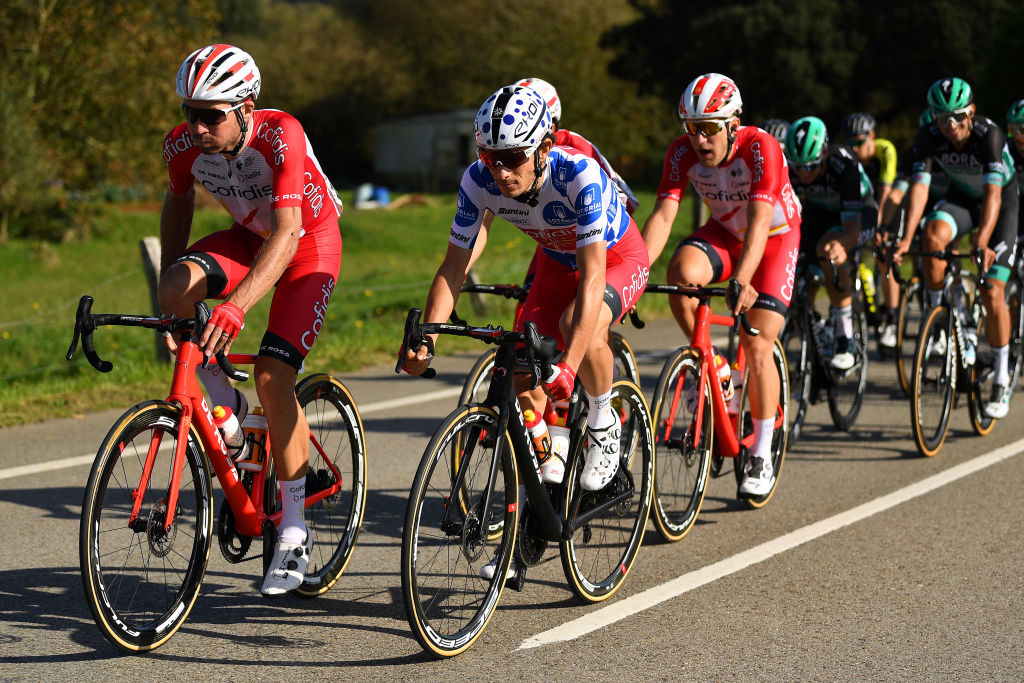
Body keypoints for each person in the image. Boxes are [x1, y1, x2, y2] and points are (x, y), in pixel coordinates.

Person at [402, 84, 649, 576]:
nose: (501, 170)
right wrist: (427, 334)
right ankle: (544, 485)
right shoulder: (478, 180)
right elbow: (454, 267)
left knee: (578, 323)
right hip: (558, 264)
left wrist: (571, 363)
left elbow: (595, 274)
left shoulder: (578, 174)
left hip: (617, 258)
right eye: (490, 157)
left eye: (513, 158)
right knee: (516, 367)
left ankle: (604, 422)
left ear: (543, 147)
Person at [158, 44, 344, 596]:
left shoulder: (280, 132)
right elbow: (178, 204)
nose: (197, 126)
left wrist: (236, 305)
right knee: (173, 290)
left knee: (272, 376)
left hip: (308, 242)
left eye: (211, 115)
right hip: (248, 237)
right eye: (190, 112)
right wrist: (174, 299)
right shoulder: (182, 145)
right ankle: (228, 406)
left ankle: (292, 527)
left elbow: (289, 233)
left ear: (246, 106)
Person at [641, 73, 800, 497]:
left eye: (709, 128)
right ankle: (718, 373)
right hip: (726, 234)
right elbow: (661, 218)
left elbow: (762, 222)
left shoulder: (760, 147)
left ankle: (762, 450)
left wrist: (745, 279)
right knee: (680, 275)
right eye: (691, 128)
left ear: (733, 123)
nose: (699, 139)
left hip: (774, 240)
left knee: (758, 341)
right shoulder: (680, 153)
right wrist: (632, 274)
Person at [893, 77, 1019, 418]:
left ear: (971, 113)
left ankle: (1002, 376)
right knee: (931, 238)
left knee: (993, 290)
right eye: (941, 118)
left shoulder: (988, 136)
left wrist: (981, 241)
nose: (950, 125)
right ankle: (941, 316)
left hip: (1000, 204)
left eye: (958, 117)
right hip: (961, 199)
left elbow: (994, 195)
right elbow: (919, 189)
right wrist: (905, 240)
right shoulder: (929, 136)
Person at [786, 116, 877, 371]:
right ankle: (814, 334)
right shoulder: (790, 166)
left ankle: (844, 337)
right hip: (819, 214)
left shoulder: (843, 165)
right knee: (796, 286)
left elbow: (851, 228)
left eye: (811, 166)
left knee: (828, 251)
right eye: (798, 167)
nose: (803, 174)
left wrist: (841, 247)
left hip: (858, 214)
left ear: (824, 152)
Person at [842, 112, 898, 212]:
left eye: (859, 142)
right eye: (850, 143)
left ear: (871, 136)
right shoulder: (847, 155)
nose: (854, 148)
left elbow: (885, 190)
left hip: (888, 200)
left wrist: (878, 222)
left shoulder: (884, 150)